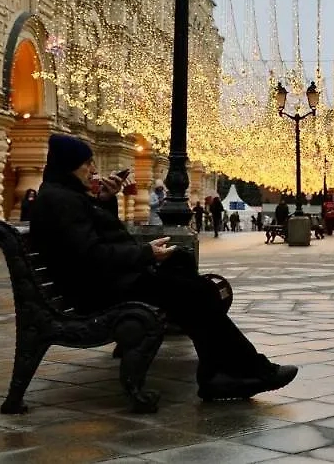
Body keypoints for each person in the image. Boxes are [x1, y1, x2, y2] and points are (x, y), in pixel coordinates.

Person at [30, 134, 297, 400]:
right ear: (68, 164)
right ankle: (245, 370)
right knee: (198, 293)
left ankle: (220, 371)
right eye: (87, 163)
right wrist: (145, 254)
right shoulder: (61, 200)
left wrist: (107, 200)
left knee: (183, 267)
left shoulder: (68, 195)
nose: (94, 169)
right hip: (97, 292)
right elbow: (90, 255)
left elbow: (98, 239)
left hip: (106, 282)